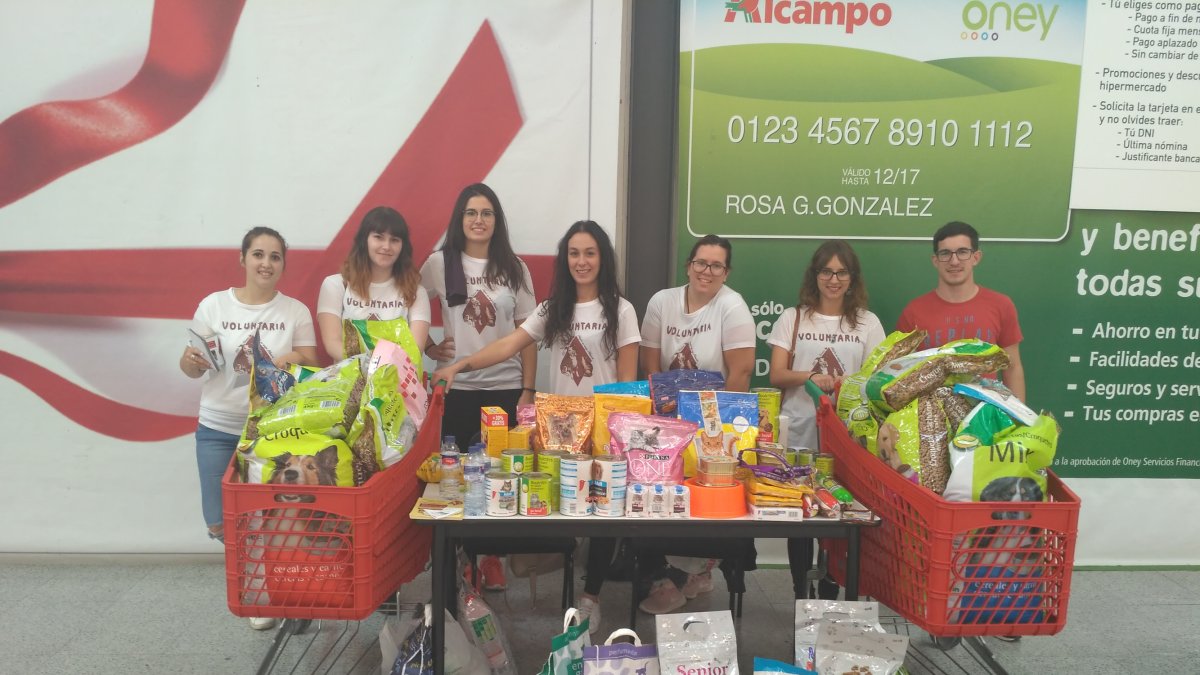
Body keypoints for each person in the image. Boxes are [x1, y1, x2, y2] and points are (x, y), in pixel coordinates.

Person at [434, 220, 640, 634]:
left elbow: (628, 382)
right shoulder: (552, 308)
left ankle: (591, 597)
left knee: (604, 517)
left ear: (603, 258)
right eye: (574, 253)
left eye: (590, 253)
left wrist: (616, 431)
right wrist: (461, 365)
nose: (582, 261)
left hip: (604, 432)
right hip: (560, 433)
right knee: (565, 510)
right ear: (565, 260)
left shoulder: (621, 310)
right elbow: (507, 345)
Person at [179, 226, 318, 630]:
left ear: (283, 265)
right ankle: (260, 581)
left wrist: (279, 358)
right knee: (219, 520)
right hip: (217, 427)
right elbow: (190, 367)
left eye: (275, 257)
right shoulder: (213, 305)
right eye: (258, 254)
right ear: (242, 259)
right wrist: (190, 362)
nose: (266, 263)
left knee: (272, 518)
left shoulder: (294, 311)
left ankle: (269, 596)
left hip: (271, 432)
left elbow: (310, 361)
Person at [420, 184, 538, 593]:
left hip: (505, 387)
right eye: (471, 212)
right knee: (456, 478)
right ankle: (460, 558)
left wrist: (528, 388)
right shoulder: (440, 263)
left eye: (487, 213)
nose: (478, 220)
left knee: (499, 476)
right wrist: (429, 346)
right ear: (460, 219)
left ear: (496, 220)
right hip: (456, 387)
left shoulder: (514, 267)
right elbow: (406, 305)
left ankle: (491, 559)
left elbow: (528, 333)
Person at [636, 234, 757, 614]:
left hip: (711, 426)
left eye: (716, 265)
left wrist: (714, 433)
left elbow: (741, 373)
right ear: (688, 265)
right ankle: (664, 579)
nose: (707, 271)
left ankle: (697, 572)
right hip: (666, 421)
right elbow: (650, 365)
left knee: (705, 502)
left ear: (727, 272)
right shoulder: (662, 302)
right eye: (701, 263)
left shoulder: (732, 307)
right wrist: (661, 421)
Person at [766, 240, 884, 599]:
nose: (834, 280)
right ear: (814, 275)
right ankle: (801, 594)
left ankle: (831, 594)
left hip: (846, 436)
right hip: (799, 431)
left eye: (842, 272)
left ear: (852, 278)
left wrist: (849, 382)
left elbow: (877, 381)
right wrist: (811, 376)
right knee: (801, 514)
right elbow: (776, 374)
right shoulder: (793, 318)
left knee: (840, 514)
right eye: (826, 271)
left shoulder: (868, 323)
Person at [896, 221, 1025, 400]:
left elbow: (1012, 368)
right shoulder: (913, 312)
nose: (954, 261)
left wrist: (1018, 415)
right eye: (945, 253)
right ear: (935, 260)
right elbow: (901, 376)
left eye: (962, 252)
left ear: (976, 257)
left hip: (986, 414)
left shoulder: (1001, 305)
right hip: (931, 415)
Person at [317, 206, 430, 360]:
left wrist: (383, 370)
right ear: (364, 240)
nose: (387, 246)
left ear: (403, 246)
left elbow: (415, 350)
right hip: (350, 374)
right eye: (379, 237)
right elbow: (332, 343)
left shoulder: (415, 292)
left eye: (394, 240)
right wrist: (370, 368)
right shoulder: (335, 285)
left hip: (396, 375)